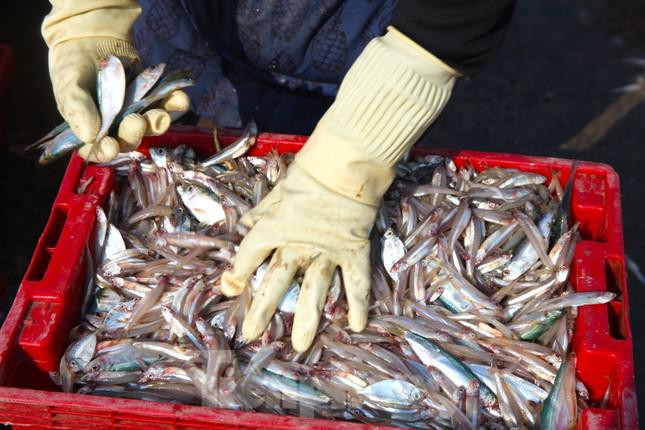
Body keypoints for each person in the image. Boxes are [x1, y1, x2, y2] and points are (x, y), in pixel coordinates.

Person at [43, 0, 516, 351]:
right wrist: (92, 12)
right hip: (186, 20)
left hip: (358, 45)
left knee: (363, 138)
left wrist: (349, 166)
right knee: (191, 109)